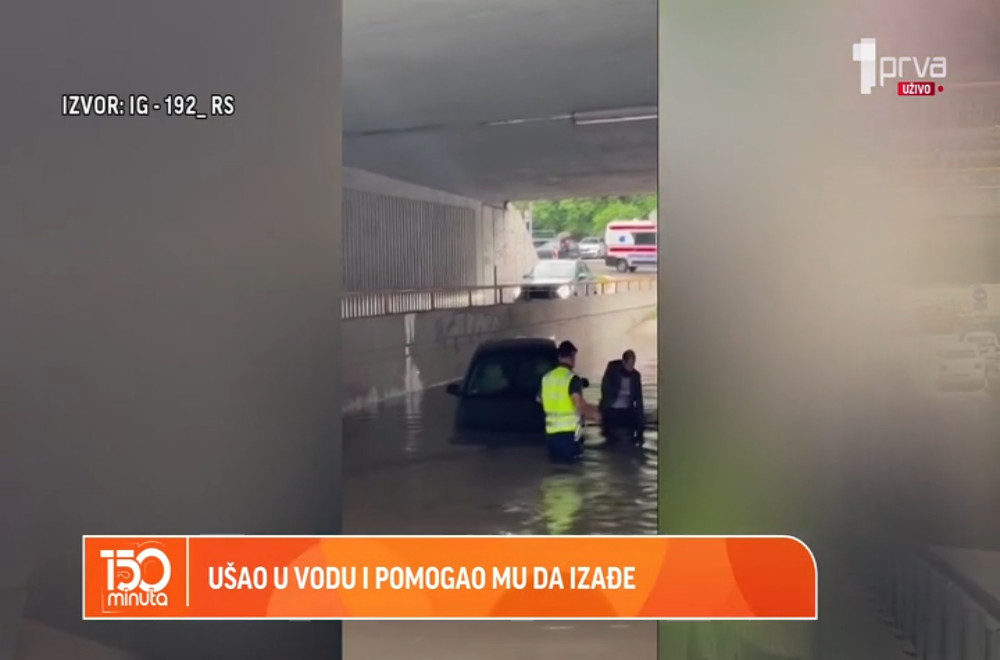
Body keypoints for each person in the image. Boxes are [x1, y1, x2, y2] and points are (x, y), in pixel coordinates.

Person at [539, 340, 600, 463]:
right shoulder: (572, 378)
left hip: (551, 436)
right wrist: (597, 414)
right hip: (568, 435)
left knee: (556, 469)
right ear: (572, 356)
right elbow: (579, 405)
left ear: (559, 357)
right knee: (572, 470)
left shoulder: (546, 378)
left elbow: (539, 399)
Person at [599, 349, 644, 445]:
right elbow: (604, 389)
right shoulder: (613, 371)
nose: (631, 367)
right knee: (611, 439)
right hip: (611, 409)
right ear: (623, 362)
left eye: (633, 364)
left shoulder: (635, 376)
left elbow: (639, 399)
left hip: (627, 410)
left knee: (631, 436)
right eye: (629, 364)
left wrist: (641, 422)